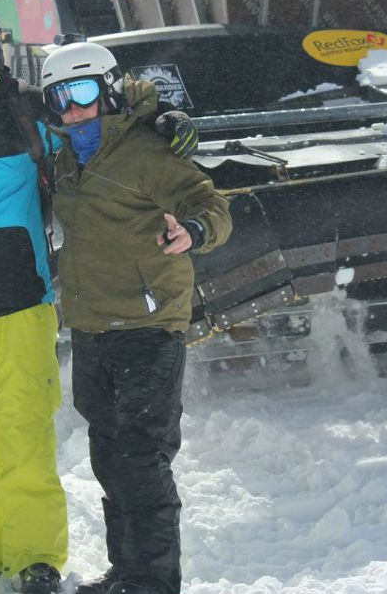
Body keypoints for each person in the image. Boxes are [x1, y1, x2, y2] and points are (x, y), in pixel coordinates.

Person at [0, 0, 196, 594]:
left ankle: (36, 556)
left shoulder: (28, 109)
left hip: (21, 293)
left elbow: (102, 122)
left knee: (23, 428)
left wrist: (166, 121)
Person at [40, 42, 231, 594]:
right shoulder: (64, 158)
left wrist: (192, 231)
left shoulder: (148, 151)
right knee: (109, 455)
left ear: (109, 90)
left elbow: (210, 205)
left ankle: (152, 582)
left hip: (148, 327)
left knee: (140, 458)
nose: (73, 111)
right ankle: (127, 572)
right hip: (94, 325)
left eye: (82, 95)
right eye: (60, 100)